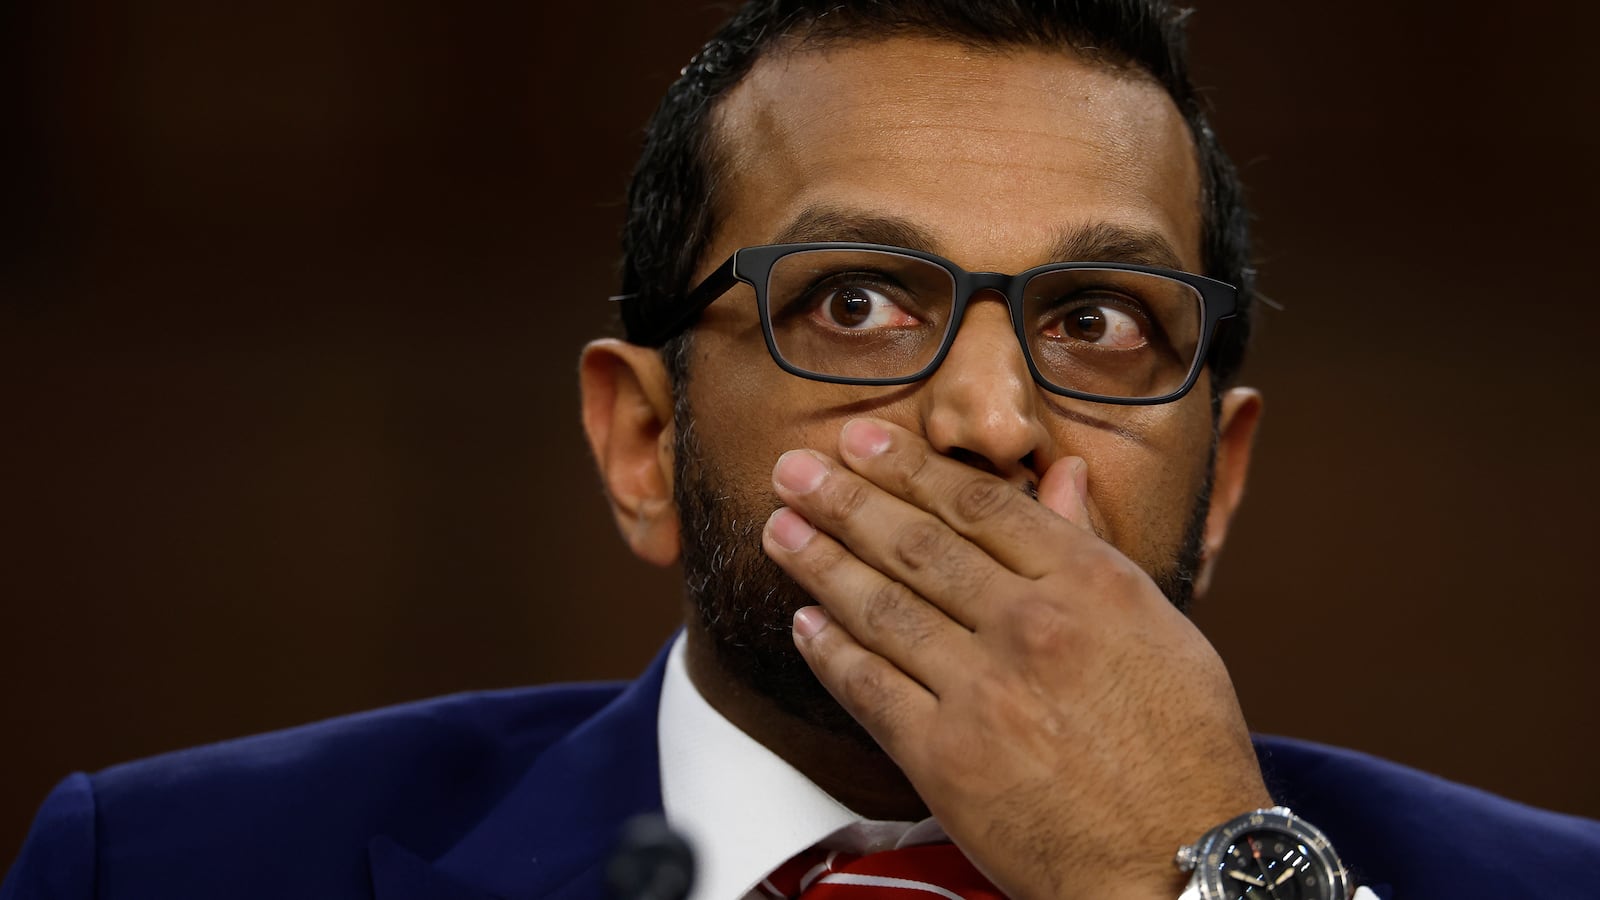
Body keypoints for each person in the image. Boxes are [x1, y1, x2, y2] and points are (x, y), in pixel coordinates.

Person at [3, 2, 1595, 899]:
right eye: (854, 301)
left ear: (1222, 480)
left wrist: (1185, 886)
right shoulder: (158, 869)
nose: (989, 420)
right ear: (641, 442)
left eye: (1101, 321)